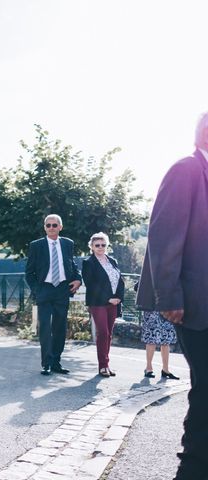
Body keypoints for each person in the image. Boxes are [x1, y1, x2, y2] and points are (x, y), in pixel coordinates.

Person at [136, 111, 208, 479]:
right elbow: (163, 235)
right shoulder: (186, 170)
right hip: (194, 306)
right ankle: (193, 469)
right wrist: (170, 298)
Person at [25, 214, 82, 376]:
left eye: (54, 225)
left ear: (60, 227)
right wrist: (37, 290)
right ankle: (46, 363)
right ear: (44, 227)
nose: (51, 228)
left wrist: (78, 279)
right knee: (45, 327)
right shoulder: (36, 246)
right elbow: (29, 273)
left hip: (62, 290)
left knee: (60, 328)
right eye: (48, 225)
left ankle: (56, 361)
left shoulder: (67, 244)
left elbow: (72, 265)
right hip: (45, 290)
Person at [81, 232, 124, 377]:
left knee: (109, 334)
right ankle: (103, 366)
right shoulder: (88, 263)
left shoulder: (113, 261)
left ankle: (107, 364)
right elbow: (91, 285)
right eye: (97, 245)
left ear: (107, 246)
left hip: (114, 302)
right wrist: (108, 299)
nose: (100, 247)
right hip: (98, 302)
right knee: (103, 333)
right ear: (92, 247)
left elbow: (120, 280)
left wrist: (118, 297)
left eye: (103, 245)